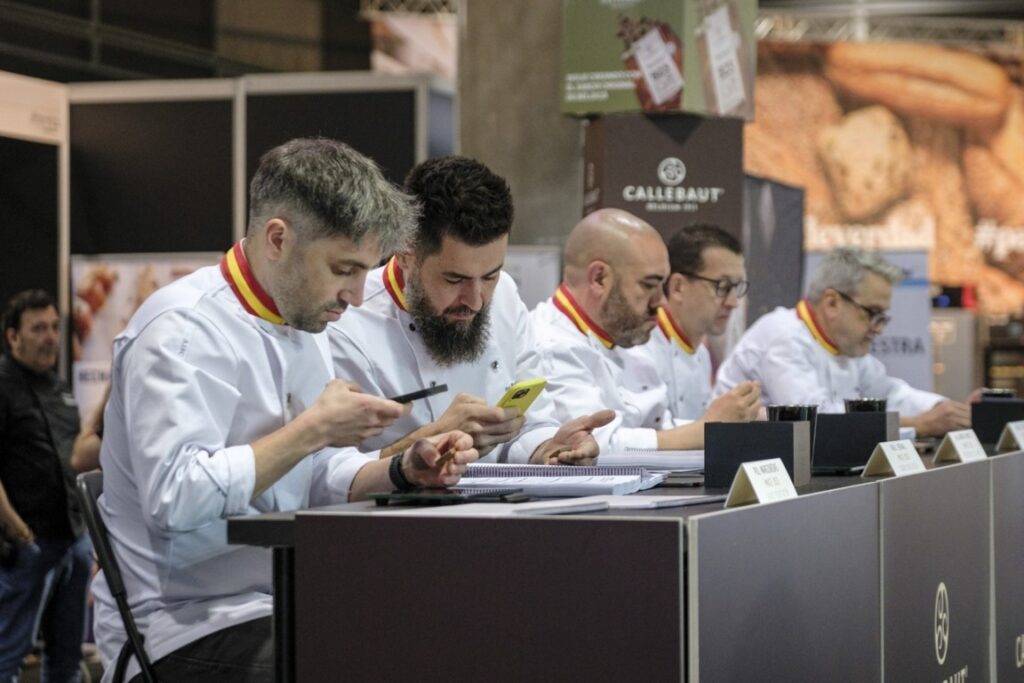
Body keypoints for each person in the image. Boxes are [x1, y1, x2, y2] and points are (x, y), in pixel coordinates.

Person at [93, 138, 479, 682]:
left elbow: (315, 474)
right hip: (179, 626)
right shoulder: (179, 331)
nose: (355, 293)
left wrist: (399, 470)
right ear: (278, 238)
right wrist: (310, 430)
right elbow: (175, 499)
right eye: (344, 268)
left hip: (277, 601)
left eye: (366, 270)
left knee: (446, 633)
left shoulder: (300, 322)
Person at [328, 156, 611, 465]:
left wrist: (550, 448)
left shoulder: (504, 295)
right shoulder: (346, 323)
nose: (476, 301)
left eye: (490, 275)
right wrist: (432, 440)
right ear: (405, 251)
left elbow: (531, 423)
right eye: (455, 279)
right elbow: (327, 475)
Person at [530, 209, 760, 452]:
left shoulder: (625, 340)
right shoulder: (550, 344)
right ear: (599, 279)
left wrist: (734, 419)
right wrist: (709, 428)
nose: (660, 301)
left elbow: (661, 427)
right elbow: (593, 445)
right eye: (649, 285)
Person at [714, 246, 970, 438]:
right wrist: (920, 425)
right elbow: (816, 424)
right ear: (832, 302)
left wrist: (949, 410)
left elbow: (892, 394)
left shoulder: (845, 345)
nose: (878, 329)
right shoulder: (782, 337)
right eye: (871, 313)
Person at [0, 289, 93, 683]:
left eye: (54, 327)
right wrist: (16, 529)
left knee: (67, 661)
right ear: (13, 336)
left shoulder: (61, 389)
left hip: (73, 542)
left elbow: (74, 463)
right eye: (38, 328)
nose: (50, 337)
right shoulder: (3, 386)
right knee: (8, 655)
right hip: (27, 545)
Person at [622, 223, 760, 421]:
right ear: (678, 287)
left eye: (737, 287)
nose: (733, 302)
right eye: (722, 286)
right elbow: (645, 435)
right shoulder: (640, 348)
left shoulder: (701, 354)